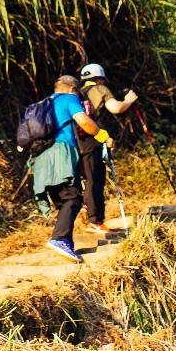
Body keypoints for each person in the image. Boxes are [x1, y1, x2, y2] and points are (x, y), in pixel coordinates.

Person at [31, 74, 109, 262]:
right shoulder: (69, 98)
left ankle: (66, 242)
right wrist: (100, 134)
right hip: (61, 152)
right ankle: (60, 239)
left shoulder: (42, 103)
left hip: (40, 157)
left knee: (63, 200)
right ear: (73, 89)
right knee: (73, 197)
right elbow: (83, 121)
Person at [76, 64, 138, 235]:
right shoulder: (100, 89)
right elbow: (116, 108)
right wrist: (129, 101)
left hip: (74, 139)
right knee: (95, 178)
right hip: (92, 138)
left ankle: (86, 208)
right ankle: (95, 221)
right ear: (99, 78)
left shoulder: (77, 92)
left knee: (85, 177)